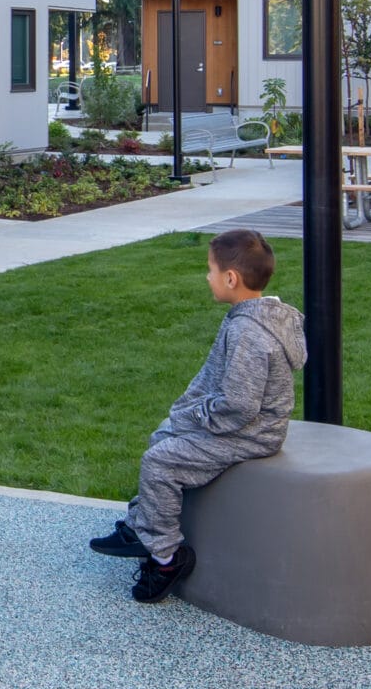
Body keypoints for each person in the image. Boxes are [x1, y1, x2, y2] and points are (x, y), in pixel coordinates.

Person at [90, 229, 304, 603]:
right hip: (242, 423)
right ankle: (139, 526)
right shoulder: (262, 316)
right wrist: (186, 416)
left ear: (231, 279)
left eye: (210, 270)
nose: (207, 277)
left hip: (250, 432)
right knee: (164, 435)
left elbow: (239, 405)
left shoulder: (248, 333)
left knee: (161, 462)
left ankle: (166, 557)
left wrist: (198, 417)